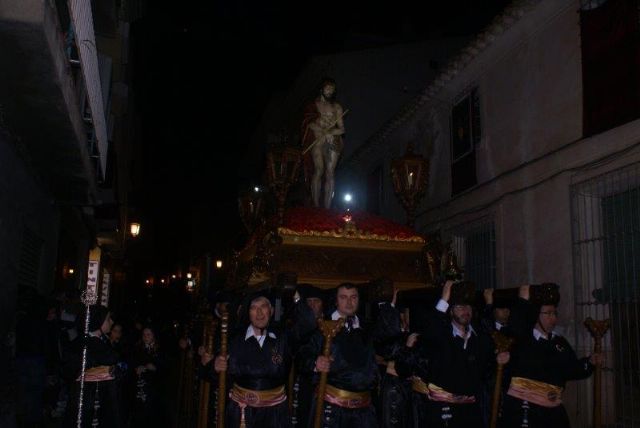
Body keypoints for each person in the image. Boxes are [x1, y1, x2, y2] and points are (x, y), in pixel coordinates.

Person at [500, 284, 602, 428]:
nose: (553, 318)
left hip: (554, 410)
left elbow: (571, 369)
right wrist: (523, 302)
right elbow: (513, 327)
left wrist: (589, 362)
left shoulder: (559, 343)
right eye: (548, 313)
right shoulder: (522, 340)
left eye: (554, 313)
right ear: (536, 315)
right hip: (526, 410)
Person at [211, 291, 315, 428]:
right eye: (254, 308)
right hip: (241, 412)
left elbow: (309, 324)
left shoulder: (284, 338)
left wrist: (295, 295)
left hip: (275, 414)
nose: (259, 313)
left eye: (263, 307)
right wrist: (215, 365)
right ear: (248, 313)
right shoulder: (233, 339)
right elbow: (209, 372)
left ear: (271, 310)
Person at [417, 280, 509, 428]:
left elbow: (486, 373)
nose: (465, 310)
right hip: (442, 410)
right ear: (451, 310)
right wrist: (444, 300)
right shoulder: (441, 336)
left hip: (470, 411)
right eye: (459, 307)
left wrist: (497, 360)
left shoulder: (481, 340)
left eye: (468, 306)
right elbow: (429, 331)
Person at [299, 283, 379, 428]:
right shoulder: (321, 326)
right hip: (332, 410)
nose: (349, 302)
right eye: (343, 297)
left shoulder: (367, 329)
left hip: (364, 412)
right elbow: (302, 356)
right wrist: (315, 363)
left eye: (353, 297)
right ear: (336, 301)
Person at [301, 77, 346, 209]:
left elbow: (342, 129)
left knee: (330, 172)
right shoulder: (313, 106)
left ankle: (327, 208)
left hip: (332, 141)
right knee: (318, 170)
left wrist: (330, 132)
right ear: (322, 89)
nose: (330, 92)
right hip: (318, 141)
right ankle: (315, 206)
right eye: (328, 89)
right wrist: (321, 129)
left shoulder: (336, 107)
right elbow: (308, 124)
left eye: (332, 90)